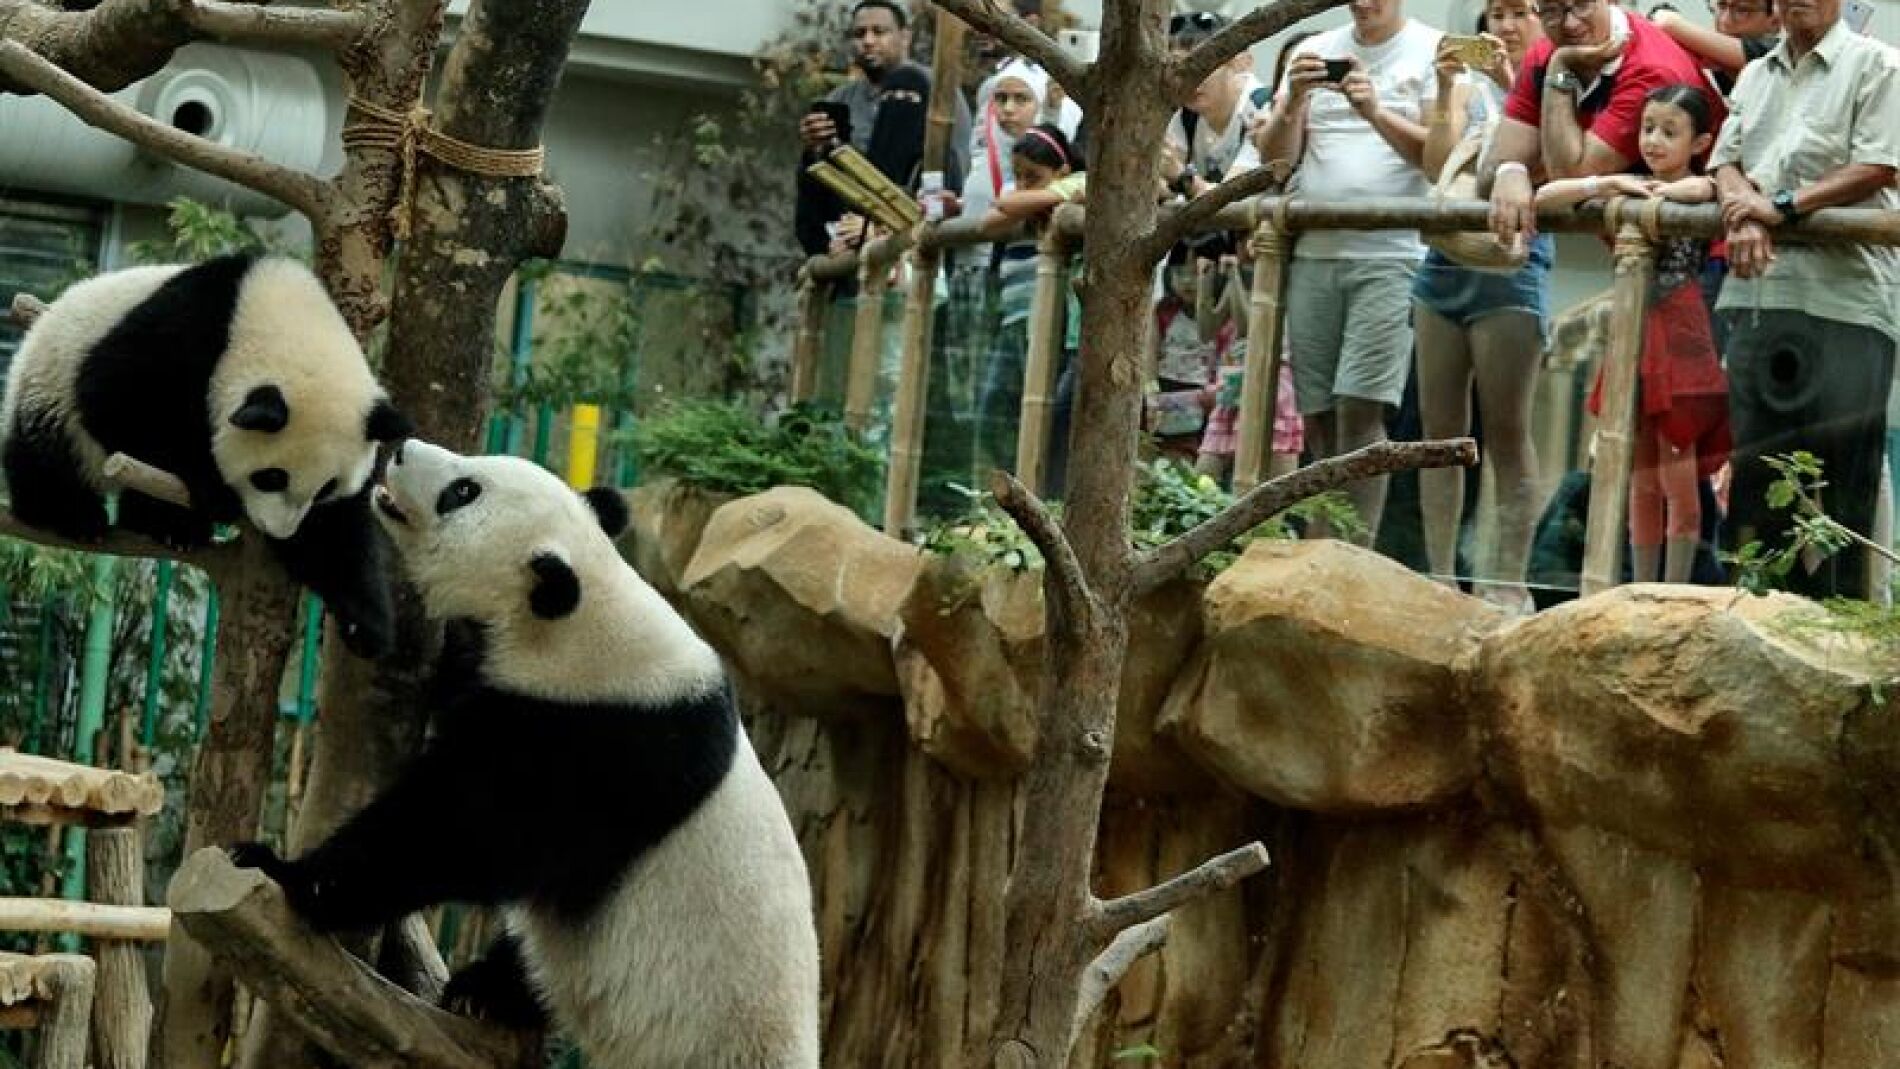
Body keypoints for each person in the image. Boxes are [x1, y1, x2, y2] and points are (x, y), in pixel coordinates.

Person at [1709, 0, 1899, 600]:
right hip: (1763, 298)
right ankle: (1764, 623)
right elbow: (1724, 163)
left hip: (1847, 301)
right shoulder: (1755, 74)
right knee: (1757, 485)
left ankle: (1843, 641)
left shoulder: (1876, 65)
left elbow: (1878, 164)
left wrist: (1781, 206)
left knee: (1845, 489)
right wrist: (1744, 211)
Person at [1255, 0, 1442, 544]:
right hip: (1315, 252)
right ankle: (1320, 541)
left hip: (1390, 254)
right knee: (1317, 417)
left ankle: (1350, 554)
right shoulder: (1316, 49)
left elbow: (1438, 158)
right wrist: (1293, 102)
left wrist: (1375, 111)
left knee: (1361, 412)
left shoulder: (1428, 49)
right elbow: (1276, 165)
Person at [1537, 84, 1732, 584]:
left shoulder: (1702, 187)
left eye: (1670, 132)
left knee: (1678, 473)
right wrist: (1608, 184)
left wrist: (1657, 191)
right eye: (1648, 128)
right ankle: (1640, 587)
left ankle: (1674, 589)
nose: (1654, 140)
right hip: (1638, 335)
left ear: (1700, 141)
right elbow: (1545, 197)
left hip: (1682, 336)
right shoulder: (1630, 186)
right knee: (1639, 477)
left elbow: (1706, 190)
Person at [1485, 0, 1723, 249]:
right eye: (1552, 10)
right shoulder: (1543, 53)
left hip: (1720, 248)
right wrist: (1511, 170)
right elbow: (1490, 172)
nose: (1570, 23)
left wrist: (1560, 67)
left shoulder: (1651, 69)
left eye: (1581, 5)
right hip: (1638, 247)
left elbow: (1567, 177)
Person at [793, 0, 972, 256]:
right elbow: (820, 192)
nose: (868, 41)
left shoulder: (934, 90)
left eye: (879, 32)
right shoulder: (840, 99)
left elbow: (955, 168)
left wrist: (884, 224)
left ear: (905, 37)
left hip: (913, 233)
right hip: (848, 241)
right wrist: (813, 149)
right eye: (859, 33)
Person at [1652, 0, 1781, 95]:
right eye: (1722, 5)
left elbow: (1668, 24)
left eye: (1742, 10)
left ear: (1775, 22)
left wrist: (1662, 16)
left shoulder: (1776, 53)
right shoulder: (1708, 55)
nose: (1725, 21)